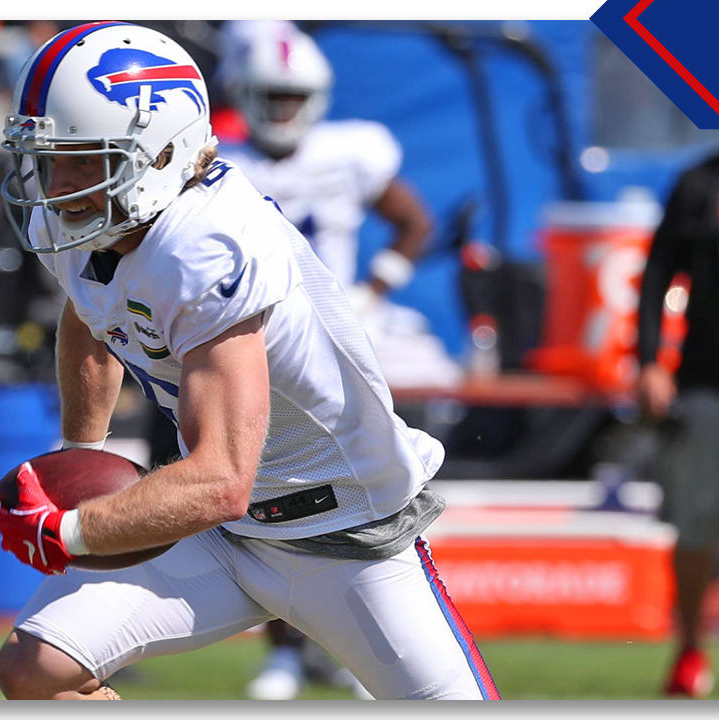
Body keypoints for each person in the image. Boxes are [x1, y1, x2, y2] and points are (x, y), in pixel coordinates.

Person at [0, 21, 497, 701]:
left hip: (346, 536)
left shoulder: (207, 244)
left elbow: (221, 476)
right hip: (225, 535)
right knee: (34, 671)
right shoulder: (90, 217)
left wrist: (71, 529)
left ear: (160, 155)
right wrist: (80, 456)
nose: (60, 184)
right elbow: (90, 310)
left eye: (85, 159)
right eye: (52, 158)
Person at [217, 25, 442, 700]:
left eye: (292, 97)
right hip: (255, 350)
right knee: (274, 499)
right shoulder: (218, 163)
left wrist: (374, 290)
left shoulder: (352, 153)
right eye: (271, 97)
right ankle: (286, 649)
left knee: (355, 497)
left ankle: (338, 646)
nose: (282, 110)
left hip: (335, 354)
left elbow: (414, 221)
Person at [636, 149, 719, 698]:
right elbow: (657, 271)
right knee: (696, 524)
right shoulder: (702, 181)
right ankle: (692, 649)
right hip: (709, 384)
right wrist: (650, 361)